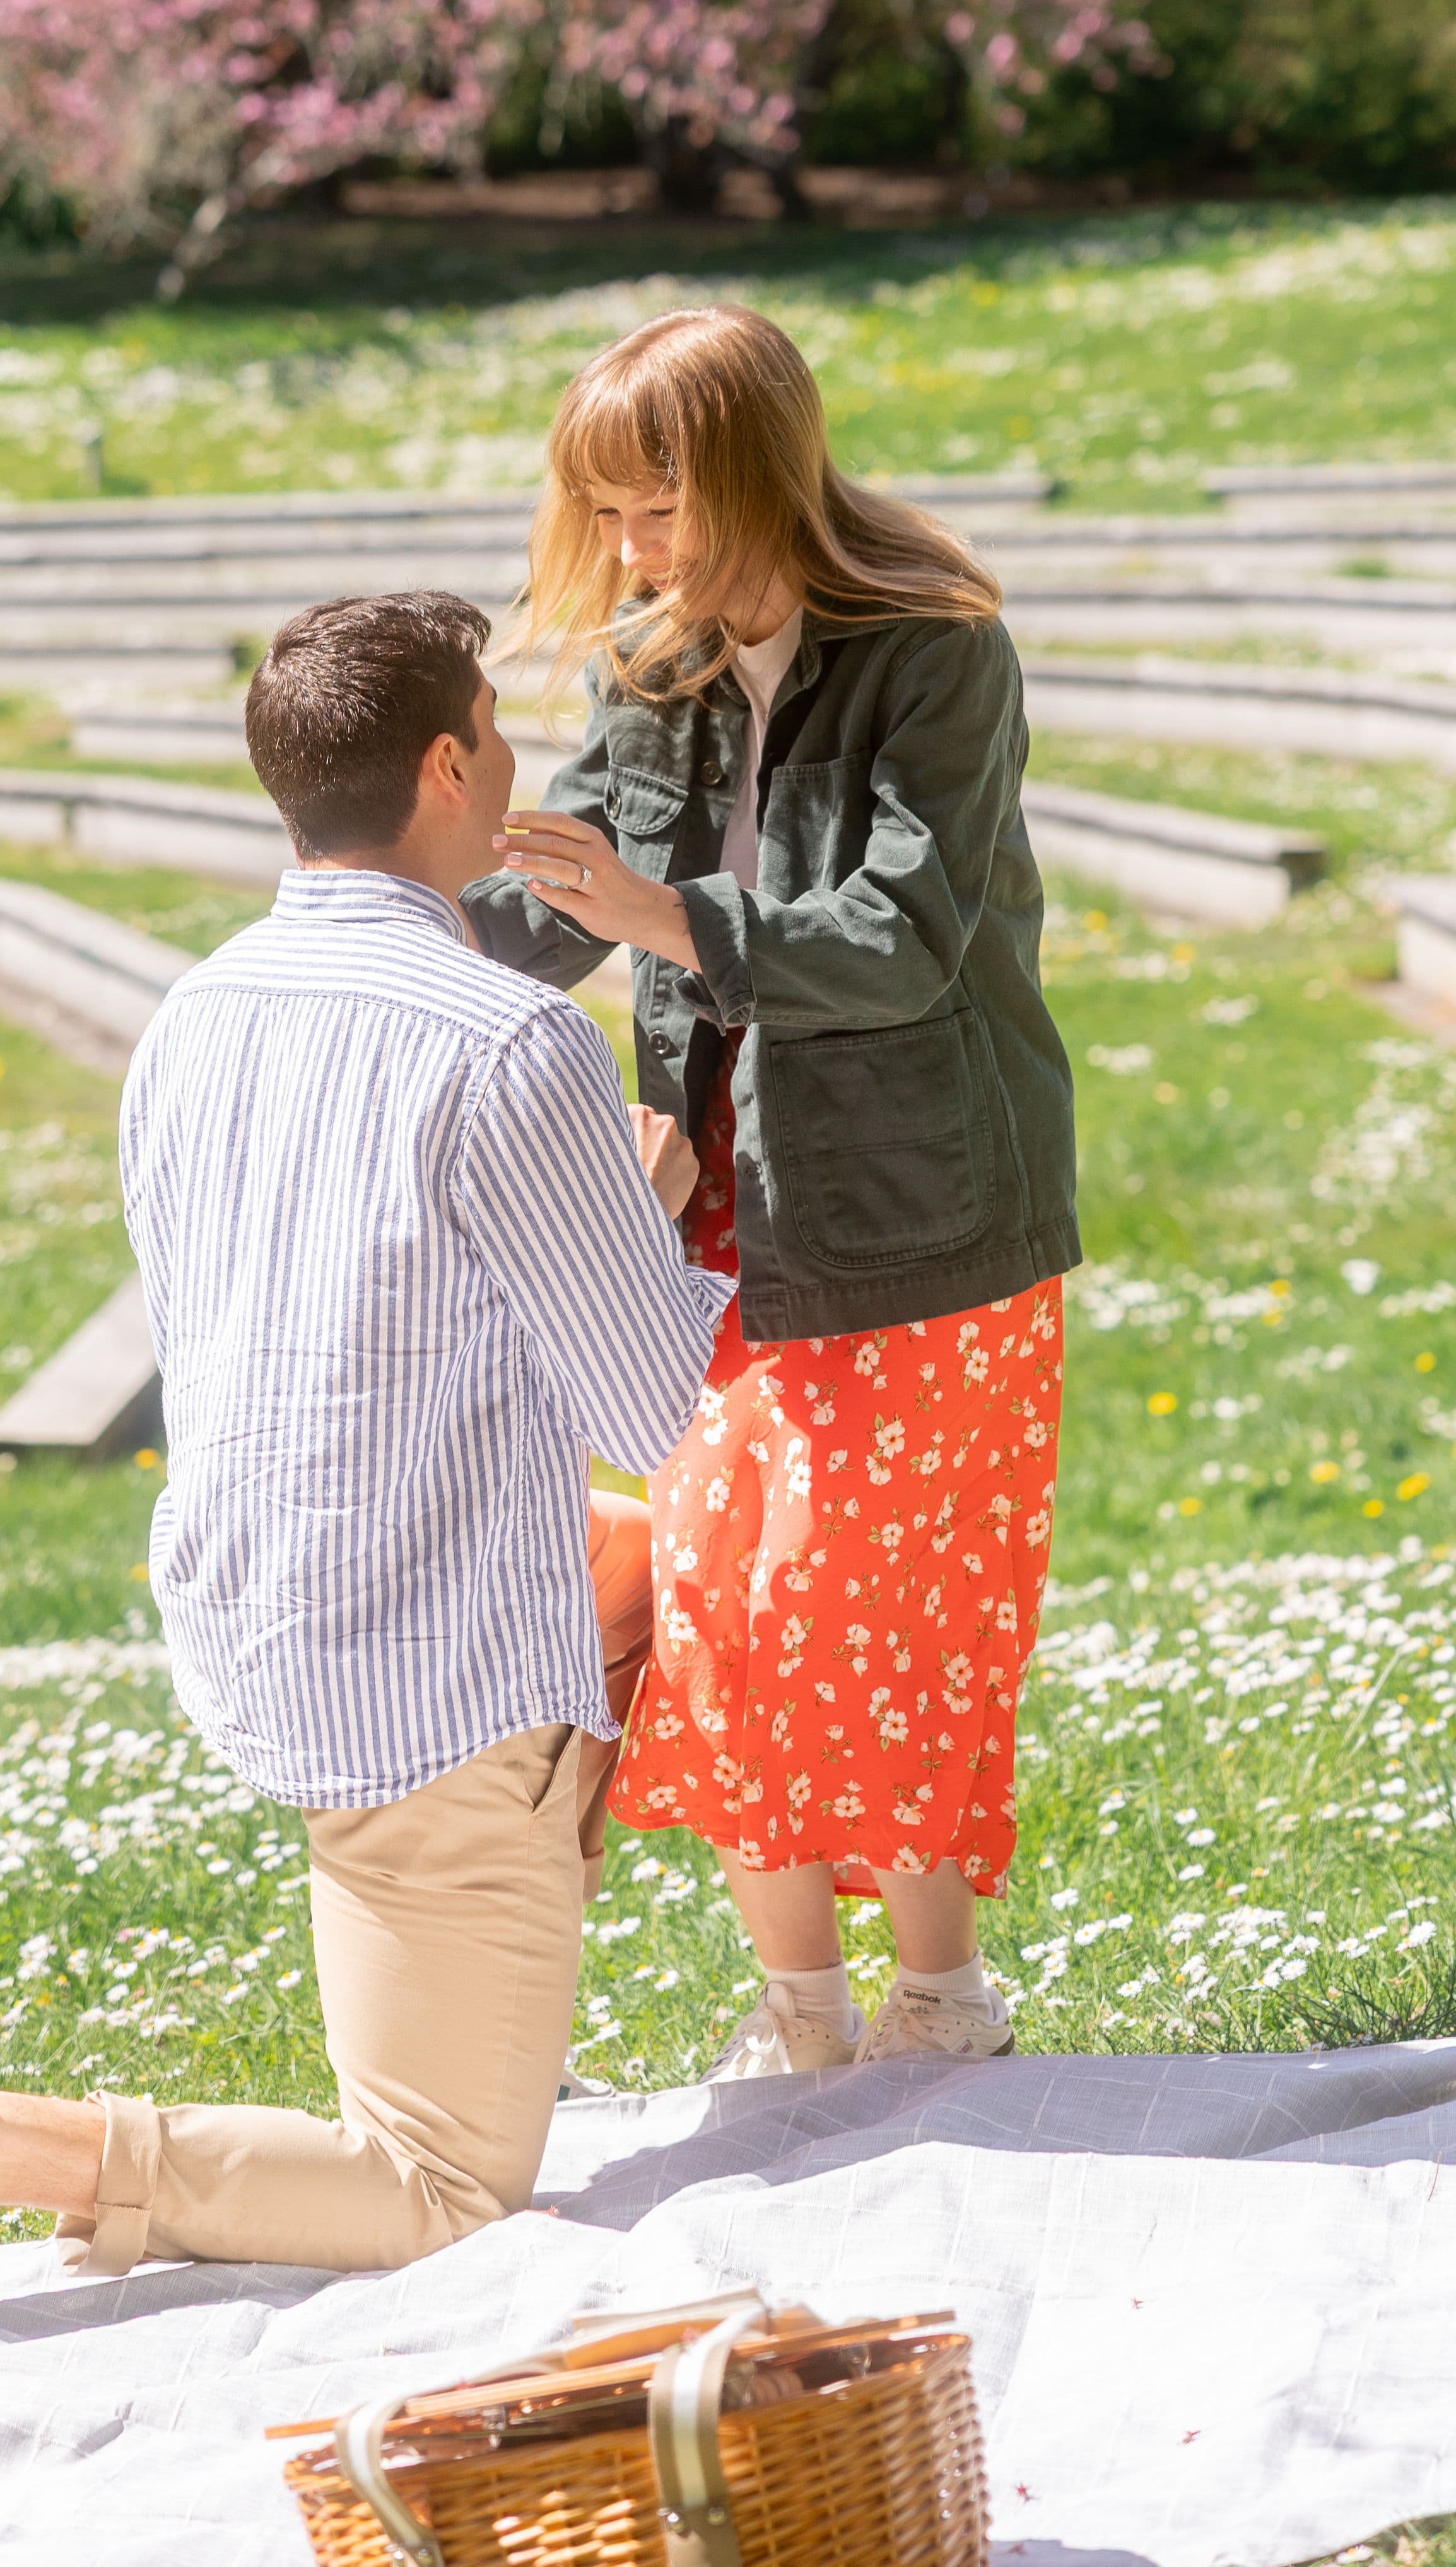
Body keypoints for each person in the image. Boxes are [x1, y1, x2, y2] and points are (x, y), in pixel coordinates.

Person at [0, 590, 727, 2301]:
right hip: (438, 1679)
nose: (515, 761)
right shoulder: (508, 1045)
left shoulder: (193, 1020)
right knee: (445, 2184)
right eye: (498, 736)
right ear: (448, 767)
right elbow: (661, 1410)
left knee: (611, 1589)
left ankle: (495, 2011)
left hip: (271, 1622)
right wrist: (682, 1233)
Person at [466, 303, 1077, 2074]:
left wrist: (654, 920)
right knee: (725, 1598)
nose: (636, 554)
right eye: (612, 517)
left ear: (755, 469)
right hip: (719, 1211)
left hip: (924, 1210)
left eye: (661, 508)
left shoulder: (933, 650)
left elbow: (898, 938)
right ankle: (807, 2014)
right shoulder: (655, 672)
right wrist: (387, 930)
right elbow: (562, 883)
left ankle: (943, 1995)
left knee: (891, 1610)